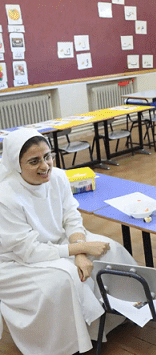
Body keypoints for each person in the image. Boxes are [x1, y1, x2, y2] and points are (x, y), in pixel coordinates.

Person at [0, 128, 138, 355]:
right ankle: (72, 343)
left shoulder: (58, 177)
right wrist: (80, 248)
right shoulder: (6, 197)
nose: (44, 166)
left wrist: (80, 253)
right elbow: (28, 251)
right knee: (67, 279)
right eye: (34, 161)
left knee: (111, 250)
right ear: (17, 165)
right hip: (17, 260)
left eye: (47, 156)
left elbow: (71, 217)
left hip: (61, 242)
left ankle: (123, 313)